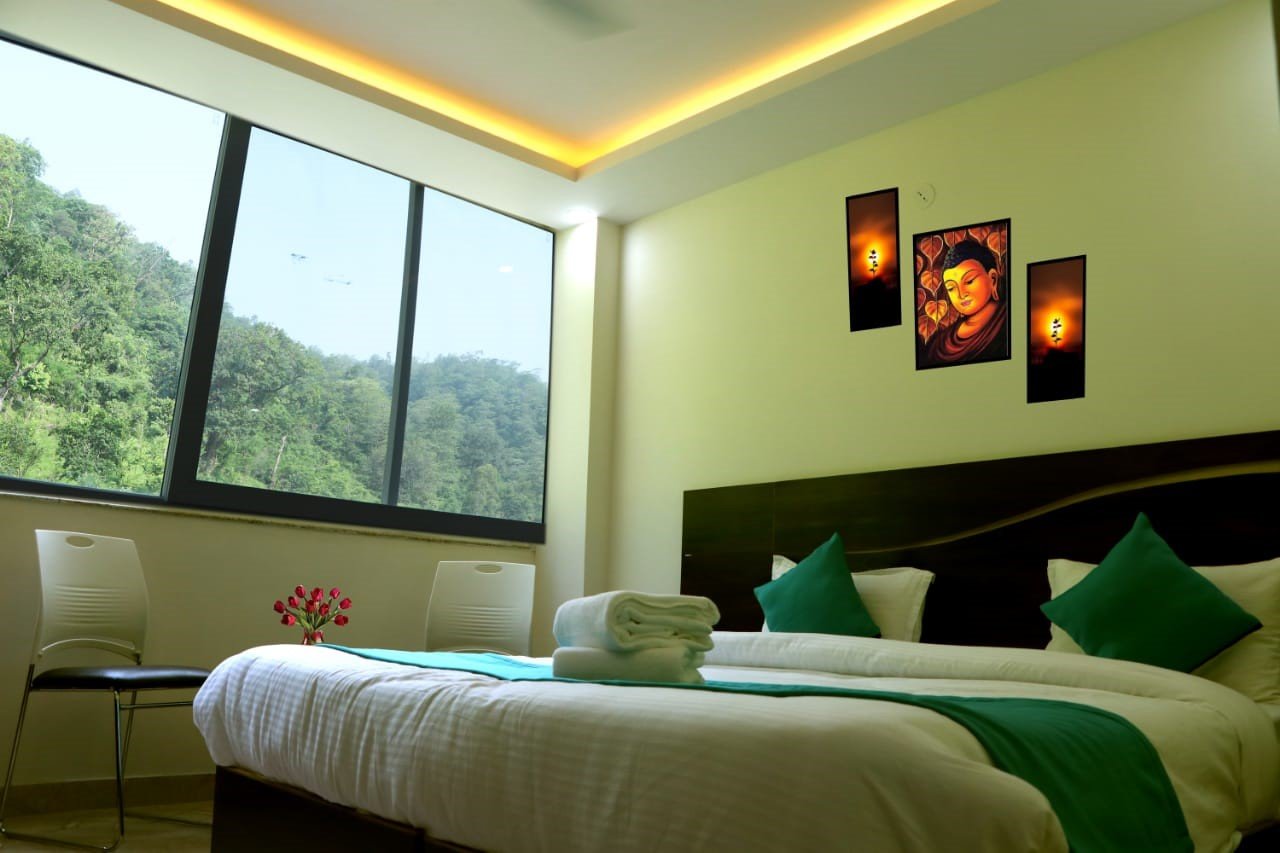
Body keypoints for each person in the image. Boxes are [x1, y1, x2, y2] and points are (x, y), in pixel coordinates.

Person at [923, 238, 1009, 365]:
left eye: (969, 281)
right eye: (951, 288)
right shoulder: (940, 343)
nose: (961, 294)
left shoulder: (1008, 323)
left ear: (993, 279)